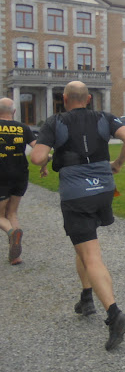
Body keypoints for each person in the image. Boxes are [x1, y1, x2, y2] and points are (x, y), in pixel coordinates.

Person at [30, 81, 125, 351]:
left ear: (64, 98)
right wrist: (118, 163)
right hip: (104, 190)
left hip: (77, 195)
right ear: (88, 98)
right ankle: (86, 297)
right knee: (83, 244)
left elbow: (37, 157)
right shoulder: (105, 117)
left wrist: (50, 156)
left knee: (91, 255)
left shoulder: (55, 121)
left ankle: (114, 314)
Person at [0, 98, 47, 265]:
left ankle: (12, 232)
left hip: (1, 175)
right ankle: (15, 256)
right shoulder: (23, 128)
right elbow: (40, 149)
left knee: (0, 215)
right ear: (13, 112)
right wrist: (43, 166)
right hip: (20, 175)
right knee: (12, 213)